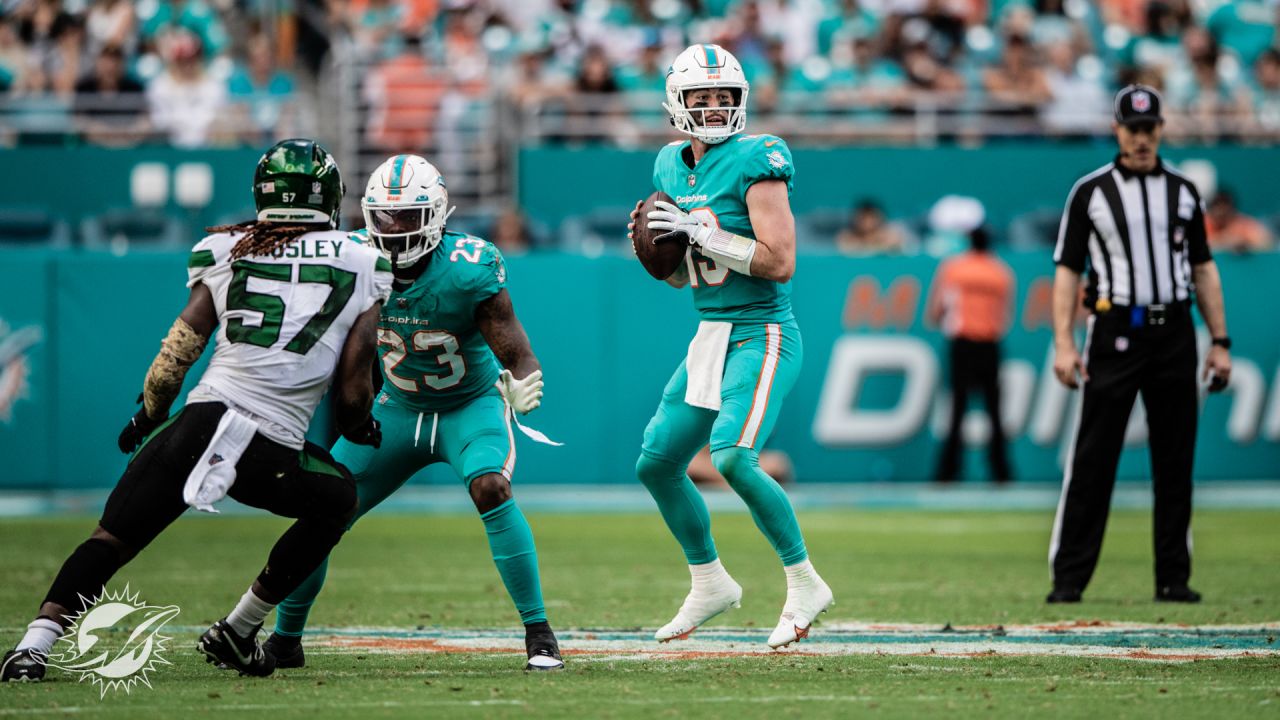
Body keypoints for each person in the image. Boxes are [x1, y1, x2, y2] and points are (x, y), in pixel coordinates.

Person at [1, 139, 390, 681]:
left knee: (111, 538)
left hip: (198, 423)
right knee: (339, 499)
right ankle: (240, 627)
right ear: (328, 197)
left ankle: (32, 647)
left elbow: (175, 355)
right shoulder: (365, 260)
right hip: (271, 448)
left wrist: (149, 416)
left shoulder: (228, 247)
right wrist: (360, 424)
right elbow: (354, 385)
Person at [266, 155, 564, 672]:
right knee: (322, 509)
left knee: (490, 486)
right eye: (385, 217)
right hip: (395, 410)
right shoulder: (355, 257)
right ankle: (285, 639)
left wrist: (522, 383)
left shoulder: (470, 266)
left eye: (408, 217)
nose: (395, 229)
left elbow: (516, 350)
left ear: (438, 215)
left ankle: (539, 632)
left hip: (467, 406)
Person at [627, 43, 832, 650]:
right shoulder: (668, 164)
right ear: (677, 104)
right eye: (701, 98)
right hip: (712, 333)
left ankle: (804, 581)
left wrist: (703, 233)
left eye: (724, 97)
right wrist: (656, 251)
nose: (714, 108)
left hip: (762, 332)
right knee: (656, 463)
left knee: (735, 457)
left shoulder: (757, 157)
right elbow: (676, 277)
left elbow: (780, 261)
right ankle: (709, 580)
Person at [1048, 85, 1233, 604]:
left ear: (1161, 130)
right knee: (1093, 458)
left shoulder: (1184, 191)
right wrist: (1064, 343)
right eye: (1133, 128)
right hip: (1115, 332)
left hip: (1174, 330)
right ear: (1117, 130)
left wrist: (1220, 340)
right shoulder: (1090, 192)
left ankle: (1174, 577)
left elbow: (1203, 268)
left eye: (1149, 129)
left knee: (1175, 458)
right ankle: (1069, 579)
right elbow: (1067, 271)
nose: (1141, 138)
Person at [927, 226, 1015, 483]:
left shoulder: (954, 268)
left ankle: (948, 473)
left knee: (957, 410)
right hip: (989, 344)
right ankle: (1001, 473)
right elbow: (1005, 314)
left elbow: (936, 310)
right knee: (995, 412)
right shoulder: (1001, 273)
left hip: (962, 344)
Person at [1205, 189, 1273, 253]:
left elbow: (1267, 242)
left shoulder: (1242, 225)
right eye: (1217, 214)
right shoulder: (1202, 224)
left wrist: (1245, 243)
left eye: (1224, 215)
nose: (1221, 219)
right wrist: (1223, 240)